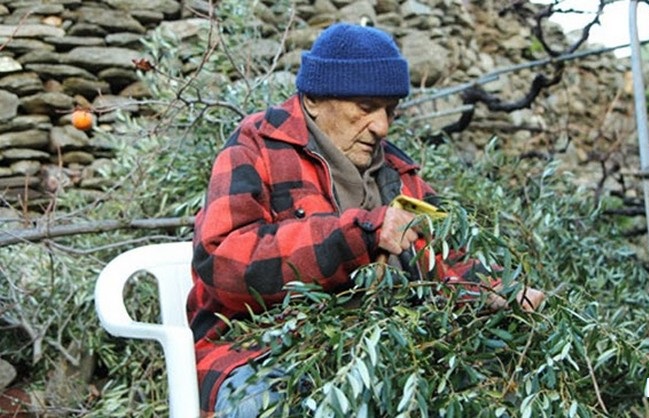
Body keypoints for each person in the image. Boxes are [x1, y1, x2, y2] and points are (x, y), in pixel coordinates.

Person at [186, 22, 545, 417]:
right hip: (260, 351)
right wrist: (359, 236)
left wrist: (500, 290)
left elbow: (447, 258)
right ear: (314, 101)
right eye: (366, 108)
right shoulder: (256, 146)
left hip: (370, 349)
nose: (382, 127)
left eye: (390, 110)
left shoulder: (398, 173)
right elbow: (221, 262)